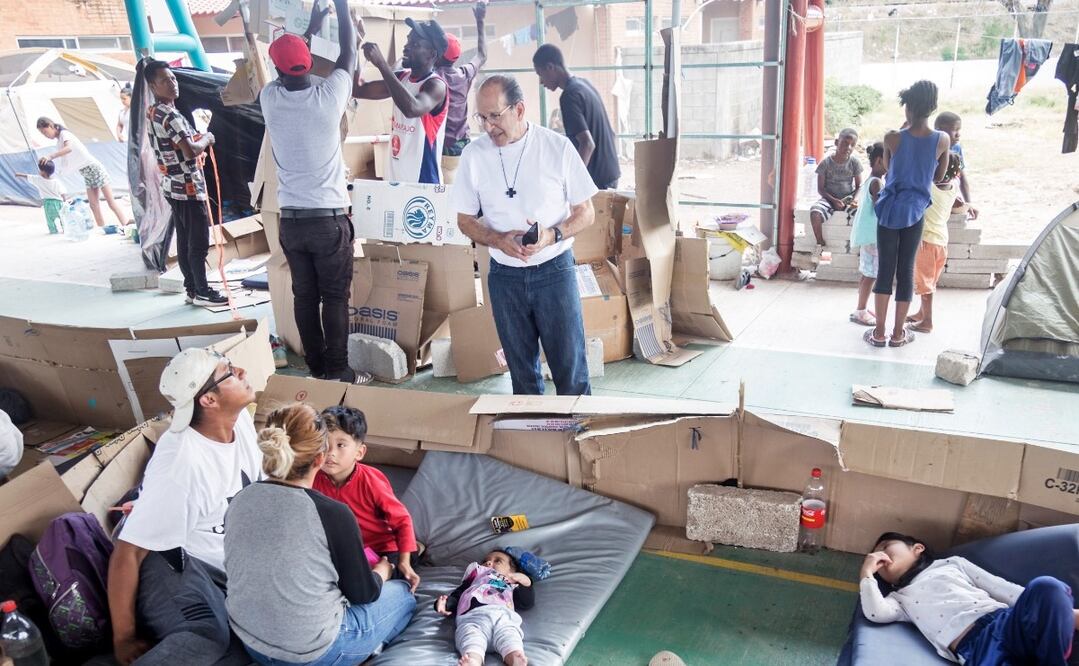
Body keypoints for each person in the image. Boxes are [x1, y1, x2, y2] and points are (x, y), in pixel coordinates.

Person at [225, 403, 416, 665]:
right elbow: (364, 594)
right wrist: (383, 570)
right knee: (405, 596)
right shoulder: (332, 513)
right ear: (318, 459)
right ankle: (365, 649)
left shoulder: (240, 498)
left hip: (251, 642)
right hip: (313, 655)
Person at [107, 349, 263, 665]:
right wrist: (123, 638)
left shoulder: (239, 421)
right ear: (208, 400)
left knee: (248, 651)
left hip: (218, 566)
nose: (243, 371)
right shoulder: (182, 465)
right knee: (206, 635)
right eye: (230, 372)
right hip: (168, 559)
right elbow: (128, 552)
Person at [451, 75, 597, 396]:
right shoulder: (474, 155)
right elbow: (464, 220)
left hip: (554, 271)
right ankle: (531, 442)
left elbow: (586, 212)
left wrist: (553, 234)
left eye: (495, 116)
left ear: (519, 109)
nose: (488, 127)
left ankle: (579, 440)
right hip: (505, 277)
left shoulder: (556, 147)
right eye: (482, 118)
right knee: (522, 375)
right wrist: (497, 239)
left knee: (570, 369)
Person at [261, 0, 356, 382]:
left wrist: (309, 26)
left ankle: (317, 369)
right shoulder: (330, 96)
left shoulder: (270, 99)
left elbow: (288, 62)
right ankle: (340, 370)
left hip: (292, 222)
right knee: (334, 298)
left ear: (278, 70)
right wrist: (342, 8)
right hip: (328, 220)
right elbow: (346, 53)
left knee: (305, 296)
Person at [859, 532, 1078, 664]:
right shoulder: (899, 599)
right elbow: (875, 612)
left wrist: (1046, 609)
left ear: (917, 548)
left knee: (1046, 586)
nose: (880, 556)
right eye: (875, 558)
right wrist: (866, 573)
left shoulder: (952, 564)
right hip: (976, 647)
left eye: (885, 547)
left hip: (1006, 622)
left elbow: (1002, 588)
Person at [865, 81, 950, 349]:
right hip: (915, 212)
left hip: (889, 211)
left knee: (884, 271)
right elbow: (939, 176)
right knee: (906, 271)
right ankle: (898, 334)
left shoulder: (892, 137)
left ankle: (878, 333)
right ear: (933, 107)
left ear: (908, 107)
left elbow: (889, 169)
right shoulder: (942, 139)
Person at [143, 59, 228, 307]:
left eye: (174, 78)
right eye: (165, 81)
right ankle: (202, 290)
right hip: (188, 186)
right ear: (153, 86)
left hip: (172, 185)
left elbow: (178, 147)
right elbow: (190, 150)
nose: (172, 84)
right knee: (198, 241)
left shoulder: (153, 112)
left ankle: (192, 288)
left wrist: (194, 143)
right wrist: (207, 139)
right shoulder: (170, 114)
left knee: (185, 238)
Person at [313, 405, 421, 592]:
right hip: (347, 551)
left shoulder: (371, 480)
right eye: (324, 444)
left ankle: (413, 553)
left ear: (359, 452)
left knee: (393, 571)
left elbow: (402, 520)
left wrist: (405, 562)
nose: (330, 452)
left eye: (341, 445)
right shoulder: (313, 478)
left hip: (383, 549)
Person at [355, 19, 449, 184]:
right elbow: (358, 89)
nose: (406, 47)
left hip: (422, 183)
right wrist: (355, 43)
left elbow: (412, 108)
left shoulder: (436, 86)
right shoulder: (402, 77)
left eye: (415, 44)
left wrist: (382, 65)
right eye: (408, 41)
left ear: (432, 54)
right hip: (395, 180)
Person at [533, 44, 621, 190]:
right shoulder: (584, 85)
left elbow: (587, 144)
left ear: (550, 67)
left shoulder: (569, 96)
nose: (541, 82)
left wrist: (573, 183)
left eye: (540, 75)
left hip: (597, 181)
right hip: (610, 172)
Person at [435, 549, 535, 666]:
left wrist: (526, 582)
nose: (488, 563)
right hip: (473, 618)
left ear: (512, 570)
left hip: (502, 618)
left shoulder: (511, 583)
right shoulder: (475, 577)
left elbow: (526, 602)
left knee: (510, 636)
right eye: (485, 561)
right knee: (471, 639)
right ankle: (473, 661)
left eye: (498, 561)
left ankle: (514, 658)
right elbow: (457, 595)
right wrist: (445, 604)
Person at [35, 117, 128, 230]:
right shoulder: (59, 139)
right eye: (43, 134)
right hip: (86, 172)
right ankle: (102, 228)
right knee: (93, 205)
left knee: (111, 202)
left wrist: (50, 156)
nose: (45, 135)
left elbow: (69, 148)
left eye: (45, 132)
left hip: (94, 169)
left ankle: (126, 225)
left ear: (50, 125)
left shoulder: (65, 134)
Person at [907, 152, 962, 334]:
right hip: (941, 241)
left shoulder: (928, 188)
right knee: (930, 282)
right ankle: (921, 314)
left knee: (925, 284)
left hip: (926, 242)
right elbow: (957, 202)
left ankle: (927, 322)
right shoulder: (954, 186)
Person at [438, 2, 488, 183]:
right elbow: (482, 55)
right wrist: (480, 21)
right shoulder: (464, 74)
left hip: (443, 150)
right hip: (463, 146)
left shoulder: (433, 78)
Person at [848, 141, 886, 327]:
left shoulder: (870, 180)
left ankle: (861, 308)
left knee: (867, 273)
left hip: (869, 236)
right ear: (879, 160)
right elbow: (881, 208)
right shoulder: (877, 183)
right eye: (890, 160)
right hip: (874, 237)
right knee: (871, 275)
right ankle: (861, 311)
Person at [809, 128, 863, 248]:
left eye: (852, 145)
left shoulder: (855, 162)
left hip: (848, 199)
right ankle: (820, 242)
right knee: (815, 212)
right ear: (836, 142)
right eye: (845, 143)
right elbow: (820, 189)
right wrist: (834, 200)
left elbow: (859, 186)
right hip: (828, 199)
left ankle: (858, 245)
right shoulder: (825, 163)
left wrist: (854, 200)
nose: (848, 147)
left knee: (863, 214)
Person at [934, 111, 978, 219]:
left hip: (950, 194)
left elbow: (962, 177)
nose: (958, 134)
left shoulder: (956, 148)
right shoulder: (931, 148)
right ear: (940, 130)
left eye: (959, 130)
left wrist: (968, 203)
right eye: (955, 130)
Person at [15, 159, 65, 234]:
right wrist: (64, 200)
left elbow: (28, 176)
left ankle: (53, 230)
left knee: (50, 219)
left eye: (40, 170)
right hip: (59, 202)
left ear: (43, 172)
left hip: (48, 203)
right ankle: (65, 229)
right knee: (62, 217)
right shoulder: (56, 181)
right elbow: (62, 192)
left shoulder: (38, 179)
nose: (39, 171)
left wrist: (19, 174)